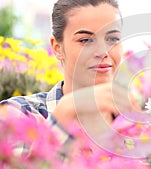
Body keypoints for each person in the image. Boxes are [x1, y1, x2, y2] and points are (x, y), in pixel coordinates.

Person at [0, 0, 131, 146]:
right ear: (57, 48)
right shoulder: (18, 115)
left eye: (113, 39)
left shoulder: (139, 125)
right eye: (86, 40)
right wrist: (65, 111)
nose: (102, 51)